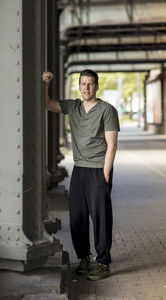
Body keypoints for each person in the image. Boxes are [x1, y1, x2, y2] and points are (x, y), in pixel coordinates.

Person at [42, 69, 120, 281]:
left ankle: (103, 262)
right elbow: (47, 103)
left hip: (98, 169)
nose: (86, 88)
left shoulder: (107, 110)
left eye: (90, 84)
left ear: (97, 86)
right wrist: (46, 83)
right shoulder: (73, 106)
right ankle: (85, 258)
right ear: (79, 85)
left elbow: (112, 145)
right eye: (83, 84)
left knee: (100, 218)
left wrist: (105, 175)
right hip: (79, 169)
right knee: (77, 217)